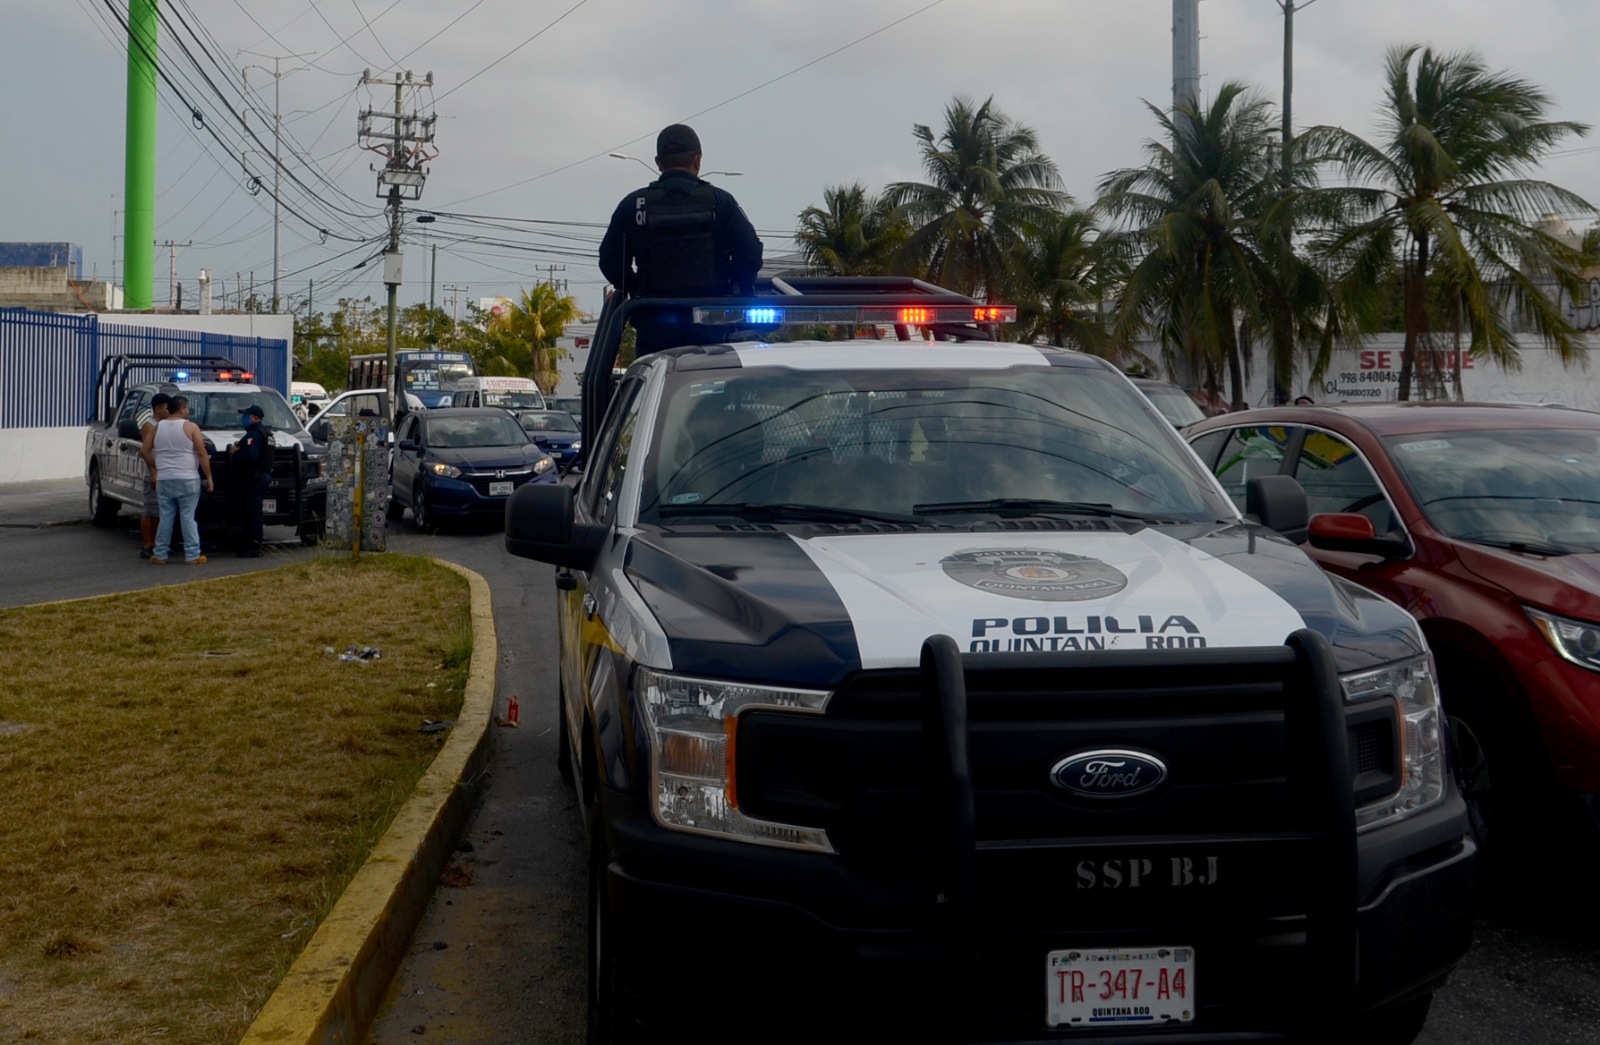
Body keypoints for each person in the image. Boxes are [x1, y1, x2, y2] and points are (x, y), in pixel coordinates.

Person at [599, 124, 763, 352]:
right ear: (698, 160)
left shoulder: (633, 205)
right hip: (711, 322)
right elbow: (750, 255)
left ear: (658, 162)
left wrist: (638, 289)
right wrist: (729, 288)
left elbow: (610, 261)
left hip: (654, 322)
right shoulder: (721, 202)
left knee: (655, 382)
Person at [149, 396, 214, 565]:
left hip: (164, 478)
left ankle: (160, 554)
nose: (188, 411)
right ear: (183, 408)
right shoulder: (191, 427)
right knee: (187, 517)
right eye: (187, 408)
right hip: (187, 477)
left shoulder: (157, 428)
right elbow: (201, 453)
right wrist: (209, 477)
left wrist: (156, 467)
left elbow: (144, 450)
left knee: (166, 517)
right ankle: (192, 554)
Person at [229, 404, 273, 557]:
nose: (244, 418)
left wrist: (235, 453)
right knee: (253, 510)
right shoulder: (267, 433)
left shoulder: (254, 435)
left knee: (251, 512)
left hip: (253, 478)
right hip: (260, 476)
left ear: (256, 418)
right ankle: (253, 544)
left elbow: (251, 457)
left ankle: (252, 545)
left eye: (247, 416)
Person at [136, 392, 172, 559]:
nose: (169, 411)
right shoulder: (149, 426)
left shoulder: (165, 425)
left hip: (165, 472)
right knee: (150, 511)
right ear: (158, 408)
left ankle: (158, 544)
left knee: (159, 512)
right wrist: (153, 474)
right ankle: (147, 545)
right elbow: (147, 451)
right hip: (153, 473)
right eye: (166, 408)